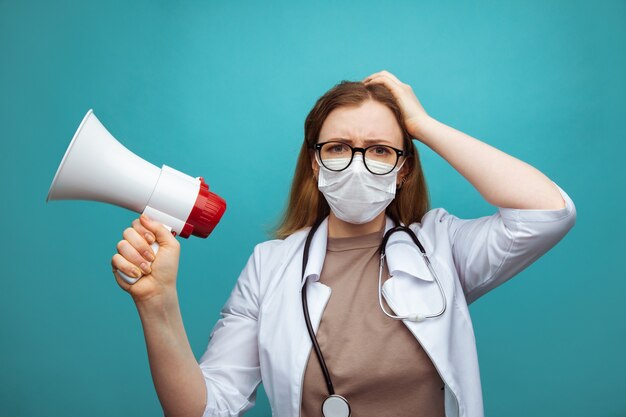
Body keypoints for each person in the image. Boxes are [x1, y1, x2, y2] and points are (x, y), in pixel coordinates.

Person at [111, 70, 576, 417]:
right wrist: (158, 304)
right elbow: (205, 410)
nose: (357, 165)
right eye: (337, 148)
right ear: (314, 163)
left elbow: (547, 212)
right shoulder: (269, 266)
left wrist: (423, 124)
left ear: (404, 168)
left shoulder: (442, 246)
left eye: (379, 150)